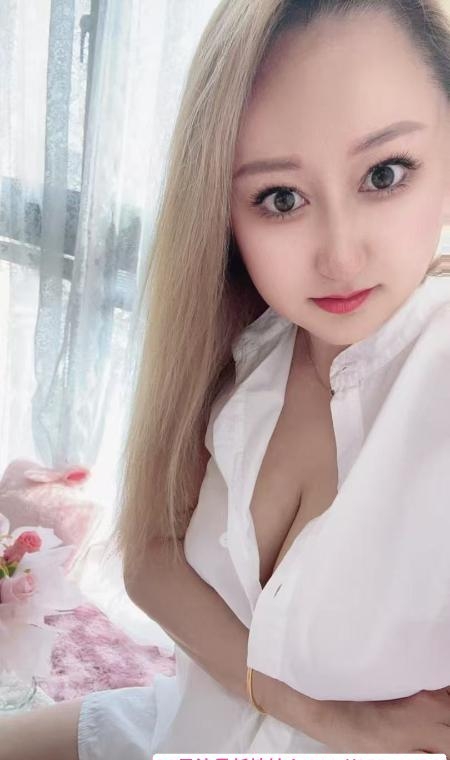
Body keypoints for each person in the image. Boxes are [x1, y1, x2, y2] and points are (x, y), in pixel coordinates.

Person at [3, 0, 450, 757]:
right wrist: (321, 714)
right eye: (281, 198)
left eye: (384, 173)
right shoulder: (253, 346)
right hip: (187, 723)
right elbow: (150, 558)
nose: (341, 256)